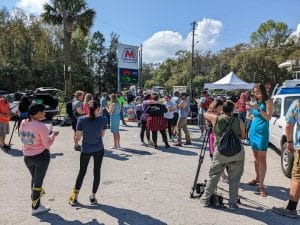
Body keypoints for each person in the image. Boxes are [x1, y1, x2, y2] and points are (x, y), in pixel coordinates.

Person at [200, 100, 245, 210]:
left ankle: (205, 199)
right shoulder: (239, 121)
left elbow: (205, 114)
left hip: (221, 152)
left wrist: (216, 111)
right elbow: (243, 137)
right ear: (232, 110)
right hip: (237, 152)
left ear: (222, 110)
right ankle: (232, 203)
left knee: (214, 175)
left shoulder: (216, 119)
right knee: (234, 179)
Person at [19, 104, 59, 215]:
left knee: (35, 180)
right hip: (40, 156)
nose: (45, 113)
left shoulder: (23, 122)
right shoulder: (41, 126)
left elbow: (24, 137)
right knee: (38, 182)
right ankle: (35, 207)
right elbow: (47, 144)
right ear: (37, 113)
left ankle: (36, 203)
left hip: (27, 156)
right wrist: (53, 135)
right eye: (43, 112)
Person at [68, 100, 107, 206]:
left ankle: (75, 197)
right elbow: (102, 135)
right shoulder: (103, 119)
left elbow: (78, 137)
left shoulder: (81, 120)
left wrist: (76, 141)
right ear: (98, 108)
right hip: (99, 148)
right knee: (97, 172)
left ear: (87, 109)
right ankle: (93, 197)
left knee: (82, 172)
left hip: (86, 149)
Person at [272, 99, 300, 219]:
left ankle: (291, 209)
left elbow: (289, 125)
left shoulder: (297, 104)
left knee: (297, 176)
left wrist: (289, 142)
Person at [247, 83, 273, 197]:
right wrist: (251, 113)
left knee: (262, 160)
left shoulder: (268, 101)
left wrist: (257, 108)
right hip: (253, 131)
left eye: (257, 92)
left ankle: (261, 186)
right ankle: (257, 178)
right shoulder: (255, 101)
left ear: (262, 91)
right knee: (256, 159)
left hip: (262, 133)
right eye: (254, 92)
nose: (255, 94)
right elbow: (254, 116)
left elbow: (268, 117)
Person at [207, 99, 228, 183]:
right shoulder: (213, 114)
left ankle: (221, 175)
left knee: (218, 157)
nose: (222, 108)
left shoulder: (215, 114)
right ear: (217, 106)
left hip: (217, 136)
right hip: (214, 136)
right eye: (221, 107)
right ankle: (222, 176)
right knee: (216, 157)